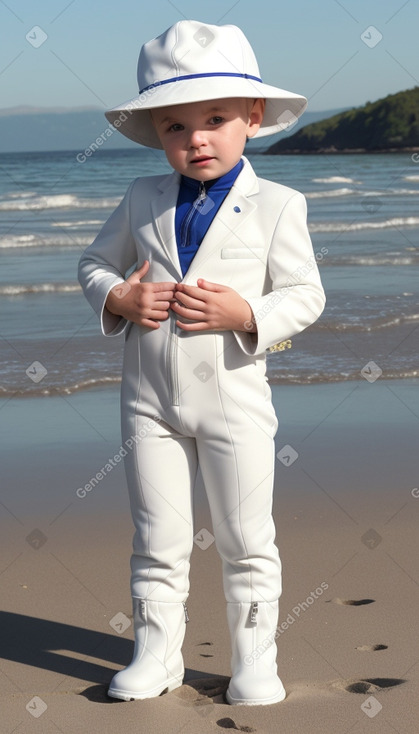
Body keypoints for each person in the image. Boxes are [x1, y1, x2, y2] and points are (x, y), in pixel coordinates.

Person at [78, 19, 325, 706]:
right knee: (156, 536)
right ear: (156, 131)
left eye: (214, 120)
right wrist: (121, 295)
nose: (196, 139)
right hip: (147, 399)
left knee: (247, 537)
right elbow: (94, 263)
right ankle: (156, 655)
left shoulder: (278, 205)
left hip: (234, 400)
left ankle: (254, 659)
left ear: (251, 117)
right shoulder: (141, 199)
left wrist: (247, 315)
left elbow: (305, 295)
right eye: (175, 127)